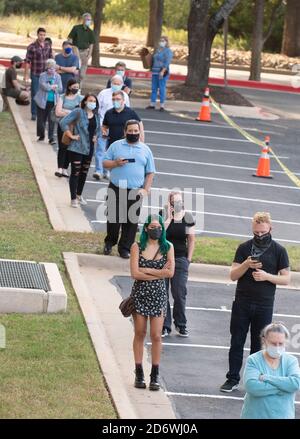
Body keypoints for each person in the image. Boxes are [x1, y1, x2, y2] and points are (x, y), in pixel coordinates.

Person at [220, 212, 290, 393]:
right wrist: (245, 265)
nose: (259, 236)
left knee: (258, 345)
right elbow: (233, 275)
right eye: (256, 233)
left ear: (270, 229)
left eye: (263, 232)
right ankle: (232, 378)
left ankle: (254, 380)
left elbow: (286, 279)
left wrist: (266, 276)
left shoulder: (279, 250)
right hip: (242, 302)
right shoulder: (244, 248)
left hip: (264, 304)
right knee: (237, 341)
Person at [130, 214, 175, 390]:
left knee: (156, 335)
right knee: (140, 333)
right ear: (146, 228)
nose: (156, 230)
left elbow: (170, 273)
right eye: (153, 226)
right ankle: (139, 371)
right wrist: (158, 273)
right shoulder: (137, 246)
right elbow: (135, 274)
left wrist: (147, 270)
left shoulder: (167, 247)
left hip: (158, 295)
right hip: (140, 294)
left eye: (159, 227)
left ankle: (155, 374)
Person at [103, 119, 155, 259]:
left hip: (135, 190)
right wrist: (115, 163)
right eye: (130, 131)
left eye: (136, 131)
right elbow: (105, 163)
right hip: (116, 188)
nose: (133, 133)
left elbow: (150, 172)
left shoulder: (145, 149)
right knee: (113, 219)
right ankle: (110, 242)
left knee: (131, 221)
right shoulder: (116, 146)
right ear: (125, 131)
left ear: (139, 132)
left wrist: (146, 189)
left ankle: (125, 248)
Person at [241, 322, 300, 419]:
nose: (277, 347)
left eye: (280, 343)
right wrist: (284, 388)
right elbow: (252, 387)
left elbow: (296, 383)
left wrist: (267, 378)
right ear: (264, 340)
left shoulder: (291, 361)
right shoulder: (254, 360)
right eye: (273, 343)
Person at [160, 191, 195, 338]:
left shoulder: (188, 216)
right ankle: (164, 326)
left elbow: (191, 239)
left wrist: (188, 259)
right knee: (163, 293)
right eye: (174, 202)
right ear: (170, 203)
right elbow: (160, 234)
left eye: (180, 201)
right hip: (163, 258)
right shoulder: (162, 214)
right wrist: (169, 216)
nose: (178, 204)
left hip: (180, 258)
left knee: (179, 293)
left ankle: (181, 324)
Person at [60, 93, 100, 207]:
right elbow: (63, 122)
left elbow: (98, 130)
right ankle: (73, 199)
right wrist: (71, 136)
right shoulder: (78, 112)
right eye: (90, 100)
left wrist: (96, 136)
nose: (92, 103)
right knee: (75, 172)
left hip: (89, 148)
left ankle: (78, 195)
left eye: (94, 101)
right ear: (85, 101)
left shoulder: (96, 115)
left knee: (84, 173)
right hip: (77, 148)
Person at [93, 90, 143, 181]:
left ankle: (125, 186)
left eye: (118, 99)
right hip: (112, 145)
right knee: (114, 168)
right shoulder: (109, 113)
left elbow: (140, 125)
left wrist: (141, 141)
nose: (115, 101)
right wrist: (103, 131)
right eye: (114, 99)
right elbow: (105, 126)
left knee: (125, 168)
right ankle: (109, 179)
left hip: (127, 144)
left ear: (123, 100)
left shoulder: (130, 112)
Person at [94, 76, 130, 181]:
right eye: (114, 83)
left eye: (118, 83)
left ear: (122, 84)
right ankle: (98, 171)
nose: (116, 85)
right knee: (100, 149)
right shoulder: (103, 93)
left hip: (117, 128)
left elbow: (127, 111)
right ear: (111, 83)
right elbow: (97, 108)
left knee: (112, 150)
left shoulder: (125, 96)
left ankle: (108, 171)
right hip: (103, 125)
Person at [54, 79, 84, 178]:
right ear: (69, 87)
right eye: (74, 87)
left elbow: (81, 112)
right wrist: (72, 112)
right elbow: (58, 112)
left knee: (70, 148)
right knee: (62, 146)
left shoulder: (80, 98)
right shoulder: (62, 97)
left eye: (77, 87)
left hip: (74, 126)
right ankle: (60, 168)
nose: (75, 89)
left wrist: (65, 111)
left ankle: (65, 168)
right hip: (63, 125)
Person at [24, 27, 53, 120]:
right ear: (37, 35)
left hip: (46, 74)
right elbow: (28, 62)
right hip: (36, 74)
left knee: (46, 93)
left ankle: (43, 113)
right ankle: (34, 113)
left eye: (44, 35)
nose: (42, 37)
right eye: (41, 35)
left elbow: (51, 60)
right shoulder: (31, 47)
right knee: (35, 93)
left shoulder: (48, 46)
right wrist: (26, 74)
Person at [34, 59, 62, 144]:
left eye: (53, 68)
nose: (51, 70)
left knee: (51, 120)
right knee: (41, 120)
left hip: (52, 102)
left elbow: (60, 88)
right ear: (46, 68)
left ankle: (51, 138)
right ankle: (41, 135)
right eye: (49, 68)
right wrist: (52, 87)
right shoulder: (43, 75)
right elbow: (43, 86)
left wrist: (52, 87)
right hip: (41, 101)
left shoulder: (58, 77)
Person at [146, 36, 173, 112]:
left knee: (162, 88)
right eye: (161, 40)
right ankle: (152, 104)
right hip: (155, 71)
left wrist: (163, 71)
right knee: (154, 88)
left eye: (163, 41)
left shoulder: (168, 51)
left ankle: (162, 105)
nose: (161, 42)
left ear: (167, 42)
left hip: (162, 72)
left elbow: (167, 62)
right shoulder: (158, 50)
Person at [68, 12, 96, 81]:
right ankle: (73, 87)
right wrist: (71, 47)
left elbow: (91, 44)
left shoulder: (90, 32)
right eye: (87, 19)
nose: (89, 21)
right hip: (76, 51)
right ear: (83, 20)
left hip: (85, 52)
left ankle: (79, 89)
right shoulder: (76, 28)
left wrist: (89, 54)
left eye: (90, 20)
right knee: (75, 71)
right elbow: (70, 38)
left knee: (82, 74)